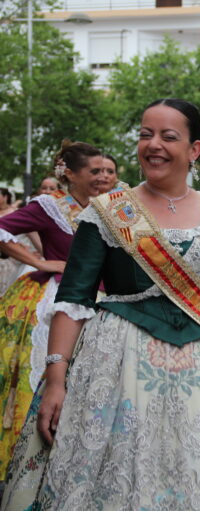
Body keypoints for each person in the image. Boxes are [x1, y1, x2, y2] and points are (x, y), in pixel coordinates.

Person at [1, 99, 200, 510]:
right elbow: (74, 300)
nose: (154, 145)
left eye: (169, 136)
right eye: (146, 135)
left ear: (194, 149)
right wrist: (56, 377)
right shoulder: (108, 213)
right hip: (116, 367)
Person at [0, 141, 108, 483]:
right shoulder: (51, 207)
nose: (103, 177)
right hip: (58, 299)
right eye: (94, 172)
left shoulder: (113, 207)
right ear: (70, 175)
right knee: (47, 380)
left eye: (107, 171)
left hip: (103, 302)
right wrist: (38, 261)